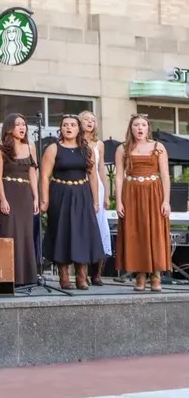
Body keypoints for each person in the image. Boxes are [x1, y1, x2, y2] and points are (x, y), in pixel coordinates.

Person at [40, 114, 104, 290]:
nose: (69, 128)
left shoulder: (86, 149)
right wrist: (44, 199)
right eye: (65, 125)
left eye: (73, 125)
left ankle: (82, 277)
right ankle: (64, 276)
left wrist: (96, 201)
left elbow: (92, 176)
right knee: (62, 232)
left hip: (82, 193)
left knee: (82, 233)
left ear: (78, 129)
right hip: (60, 193)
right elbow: (44, 176)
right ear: (60, 128)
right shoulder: (53, 148)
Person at [115, 114, 172, 292]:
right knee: (135, 233)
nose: (140, 128)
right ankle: (140, 275)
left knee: (154, 232)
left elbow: (165, 175)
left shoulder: (158, 147)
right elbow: (118, 176)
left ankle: (155, 276)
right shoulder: (122, 148)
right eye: (136, 125)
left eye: (143, 125)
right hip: (131, 192)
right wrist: (118, 202)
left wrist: (166, 201)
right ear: (130, 128)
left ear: (148, 128)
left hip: (154, 192)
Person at [0, 114, 39, 286]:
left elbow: (32, 173)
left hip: (25, 194)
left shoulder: (30, 147)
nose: (22, 127)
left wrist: (36, 197)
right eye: (18, 124)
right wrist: (2, 199)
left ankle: (25, 277)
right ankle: (7, 276)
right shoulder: (0, 149)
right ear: (9, 128)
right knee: (9, 232)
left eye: (24, 124)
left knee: (26, 234)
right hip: (9, 192)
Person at [79, 110, 111, 285]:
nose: (90, 122)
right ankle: (81, 271)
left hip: (96, 186)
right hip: (79, 184)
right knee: (83, 226)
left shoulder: (99, 144)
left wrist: (106, 194)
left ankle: (96, 272)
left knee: (99, 226)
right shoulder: (75, 142)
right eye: (86, 119)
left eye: (93, 120)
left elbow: (101, 170)